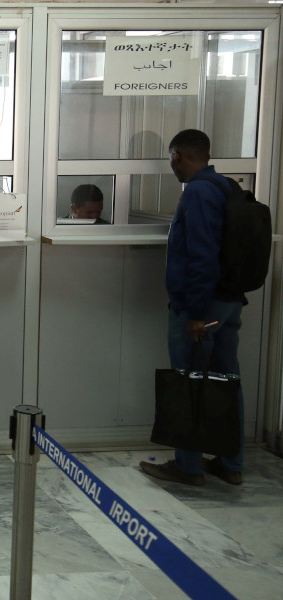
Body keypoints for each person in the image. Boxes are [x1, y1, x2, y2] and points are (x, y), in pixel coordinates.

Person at [140, 129, 246, 487]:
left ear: (179, 156)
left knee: (189, 381)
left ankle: (188, 466)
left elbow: (202, 255)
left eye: (172, 159)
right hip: (229, 302)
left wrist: (197, 314)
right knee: (227, 380)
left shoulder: (198, 192)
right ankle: (231, 463)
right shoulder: (226, 187)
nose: (173, 167)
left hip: (203, 307)